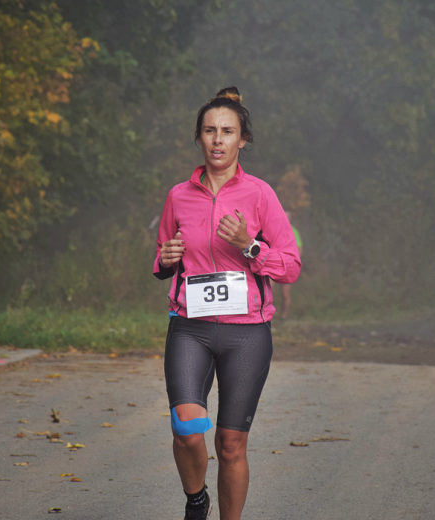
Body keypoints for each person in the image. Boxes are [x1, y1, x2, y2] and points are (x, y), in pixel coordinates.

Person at [153, 87, 301, 520]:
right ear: (199, 138)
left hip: (247, 334)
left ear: (242, 141)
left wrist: (250, 246)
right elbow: (165, 254)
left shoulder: (259, 195)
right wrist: (164, 259)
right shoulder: (179, 195)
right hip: (190, 327)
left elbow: (290, 266)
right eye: (210, 131)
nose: (218, 140)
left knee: (231, 444)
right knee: (187, 427)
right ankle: (196, 499)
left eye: (227, 132)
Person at [278, 211, 303, 319]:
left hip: (287, 266)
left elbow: (300, 248)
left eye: (287, 217)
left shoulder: (294, 231)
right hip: (274, 264)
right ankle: (267, 315)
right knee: (267, 290)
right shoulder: (275, 229)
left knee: (285, 293)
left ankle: (284, 315)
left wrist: (293, 263)